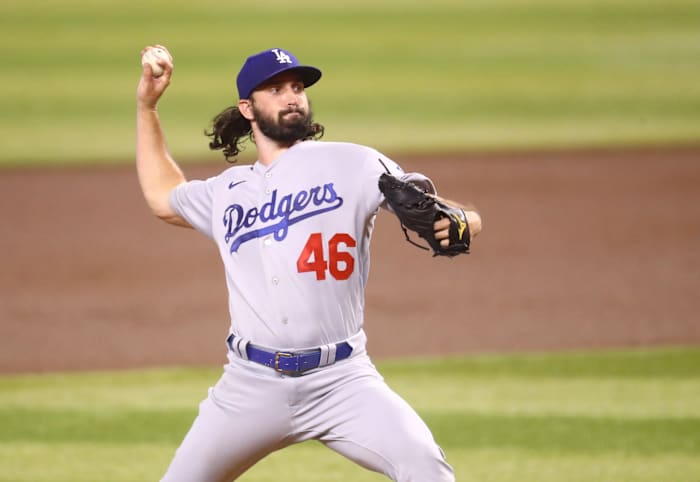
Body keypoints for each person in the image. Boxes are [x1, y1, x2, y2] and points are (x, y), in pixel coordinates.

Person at [136, 45, 481, 482]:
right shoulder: (227, 191)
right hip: (250, 385)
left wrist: (465, 218)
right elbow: (162, 197)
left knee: (426, 467)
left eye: (297, 87)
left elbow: (436, 208)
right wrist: (147, 106)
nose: (292, 96)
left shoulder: (354, 162)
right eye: (276, 89)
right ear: (247, 108)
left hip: (343, 380)